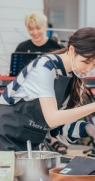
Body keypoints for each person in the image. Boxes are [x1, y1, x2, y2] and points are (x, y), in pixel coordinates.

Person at [0, 27, 95, 153]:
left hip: (29, 146)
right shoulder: (45, 67)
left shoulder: (75, 79)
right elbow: (52, 118)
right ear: (72, 50)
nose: (89, 69)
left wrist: (87, 128)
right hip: (1, 140)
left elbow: (56, 127)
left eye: (94, 64)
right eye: (86, 62)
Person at [15, 11, 66, 154]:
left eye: (37, 28)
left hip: (52, 87)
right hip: (29, 90)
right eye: (31, 29)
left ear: (45, 27)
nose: (35, 32)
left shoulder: (55, 46)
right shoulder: (22, 48)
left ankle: (55, 138)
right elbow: (17, 75)